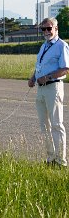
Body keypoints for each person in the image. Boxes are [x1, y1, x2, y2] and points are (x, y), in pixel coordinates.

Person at [28, 17, 69, 167]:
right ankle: (51, 158)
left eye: (49, 28)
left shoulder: (61, 46)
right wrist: (33, 77)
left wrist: (48, 77)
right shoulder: (44, 46)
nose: (46, 31)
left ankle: (61, 160)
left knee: (57, 124)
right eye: (43, 29)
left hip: (53, 87)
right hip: (41, 89)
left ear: (56, 29)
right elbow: (39, 66)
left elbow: (65, 69)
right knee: (44, 124)